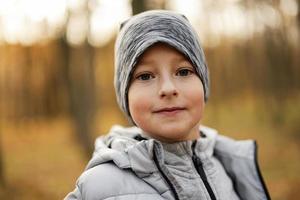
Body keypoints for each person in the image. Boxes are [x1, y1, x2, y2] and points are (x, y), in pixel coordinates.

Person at [65, 10, 270, 200]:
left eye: (183, 71)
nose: (168, 88)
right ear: (126, 96)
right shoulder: (98, 188)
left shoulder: (231, 167)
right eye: (145, 76)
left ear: (203, 83)